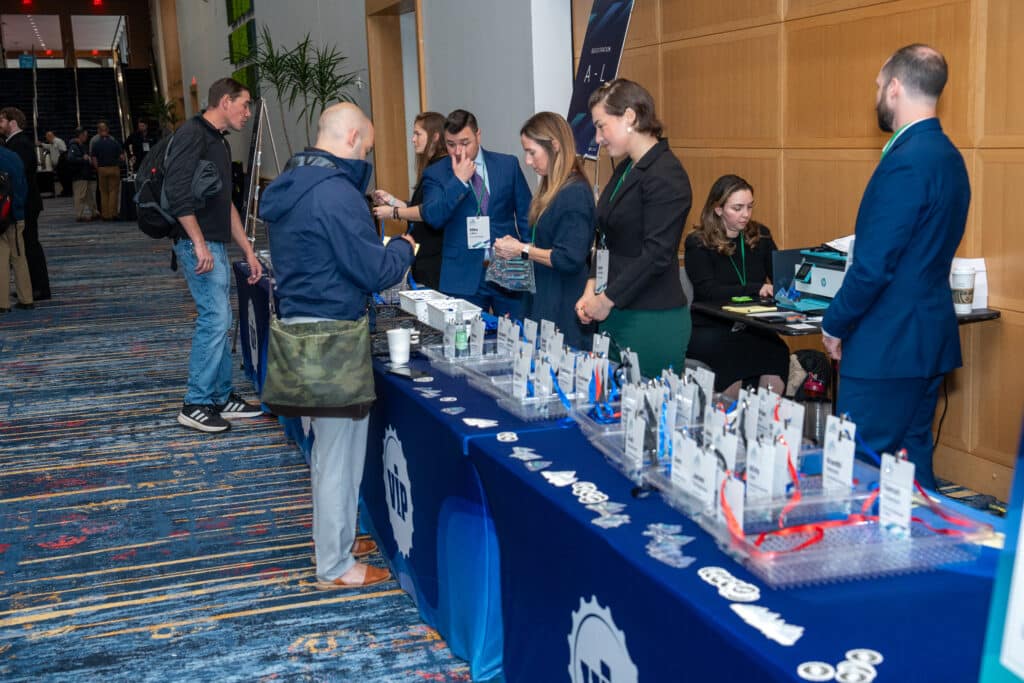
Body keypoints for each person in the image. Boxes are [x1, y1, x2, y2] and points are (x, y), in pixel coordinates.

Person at [261, 103, 414, 590]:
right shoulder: (336, 195)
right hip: (331, 338)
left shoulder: (291, 183)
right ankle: (334, 565)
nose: (366, 155)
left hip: (299, 330)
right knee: (337, 457)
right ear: (350, 138)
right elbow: (373, 271)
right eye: (367, 147)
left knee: (327, 452)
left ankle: (337, 539)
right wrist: (403, 247)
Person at [822, 45, 970, 490]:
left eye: (878, 85)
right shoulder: (949, 157)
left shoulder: (905, 162)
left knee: (859, 475)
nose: (877, 95)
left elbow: (873, 267)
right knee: (912, 474)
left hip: (887, 345)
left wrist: (834, 323)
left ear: (896, 87)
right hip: (926, 341)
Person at [164, 77, 264, 434]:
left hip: (214, 243)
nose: (248, 113)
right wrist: (199, 242)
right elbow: (176, 193)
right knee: (215, 318)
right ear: (225, 101)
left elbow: (226, 206)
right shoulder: (192, 134)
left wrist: (248, 250)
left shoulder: (218, 143)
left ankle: (221, 396)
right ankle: (196, 402)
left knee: (220, 320)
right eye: (245, 104)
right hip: (198, 244)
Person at [575, 79, 693, 378]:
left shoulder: (666, 174)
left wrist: (606, 299)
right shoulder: (627, 168)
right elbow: (605, 238)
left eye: (602, 126)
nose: (598, 138)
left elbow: (657, 254)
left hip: (650, 317)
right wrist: (592, 288)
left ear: (630, 117)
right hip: (613, 309)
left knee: (647, 416)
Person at [492, 111, 595, 349]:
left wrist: (522, 249)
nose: (528, 161)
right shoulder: (551, 188)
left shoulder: (575, 192)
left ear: (555, 146)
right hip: (542, 300)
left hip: (563, 305)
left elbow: (568, 258)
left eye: (532, 153)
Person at [419, 109, 532, 317]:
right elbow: (433, 217)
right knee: (464, 341)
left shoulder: (507, 165)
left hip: (509, 269)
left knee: (519, 335)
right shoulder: (436, 174)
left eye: (465, 143)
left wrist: (529, 254)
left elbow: (527, 216)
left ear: (478, 135)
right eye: (451, 144)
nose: (458, 151)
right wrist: (459, 181)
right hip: (461, 274)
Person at [684, 175, 788, 396]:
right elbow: (708, 292)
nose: (746, 215)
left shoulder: (760, 236)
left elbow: (781, 278)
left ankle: (765, 422)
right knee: (733, 353)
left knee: (778, 350)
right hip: (711, 326)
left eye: (750, 207)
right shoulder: (698, 242)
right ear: (718, 209)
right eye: (737, 208)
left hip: (751, 324)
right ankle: (728, 424)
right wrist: (755, 288)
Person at [371, 111, 447, 289]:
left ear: (435, 136)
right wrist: (391, 200)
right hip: (428, 257)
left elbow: (427, 212)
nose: (413, 139)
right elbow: (418, 207)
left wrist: (393, 212)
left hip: (434, 258)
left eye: (418, 134)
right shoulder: (435, 168)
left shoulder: (437, 171)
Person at [0, 106, 50, 301]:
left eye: (2, 121)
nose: (0, 125)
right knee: (25, 246)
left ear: (12, 122)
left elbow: (15, 177)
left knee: (29, 245)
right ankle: (31, 287)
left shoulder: (19, 144)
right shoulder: (16, 143)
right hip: (25, 202)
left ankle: (38, 288)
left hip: (25, 203)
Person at [0, 144, 33, 313]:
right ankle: (26, 298)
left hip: (1, 219)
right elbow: (23, 186)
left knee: (1, 260)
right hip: (16, 215)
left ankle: (2, 303)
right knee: (19, 257)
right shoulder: (14, 156)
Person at [91, 121, 124, 220]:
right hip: (114, 168)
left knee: (103, 192)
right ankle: (113, 213)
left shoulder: (96, 143)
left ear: (98, 131)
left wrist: (98, 168)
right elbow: (122, 157)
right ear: (108, 130)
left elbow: (94, 159)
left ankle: (105, 215)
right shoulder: (114, 142)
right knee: (113, 191)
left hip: (102, 169)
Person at [67, 128, 99, 222]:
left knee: (89, 195)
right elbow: (70, 158)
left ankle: (94, 212)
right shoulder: (74, 146)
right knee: (80, 196)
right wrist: (83, 158)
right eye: (85, 135)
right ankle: (79, 215)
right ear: (80, 135)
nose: (87, 137)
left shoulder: (80, 145)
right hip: (79, 175)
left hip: (84, 174)